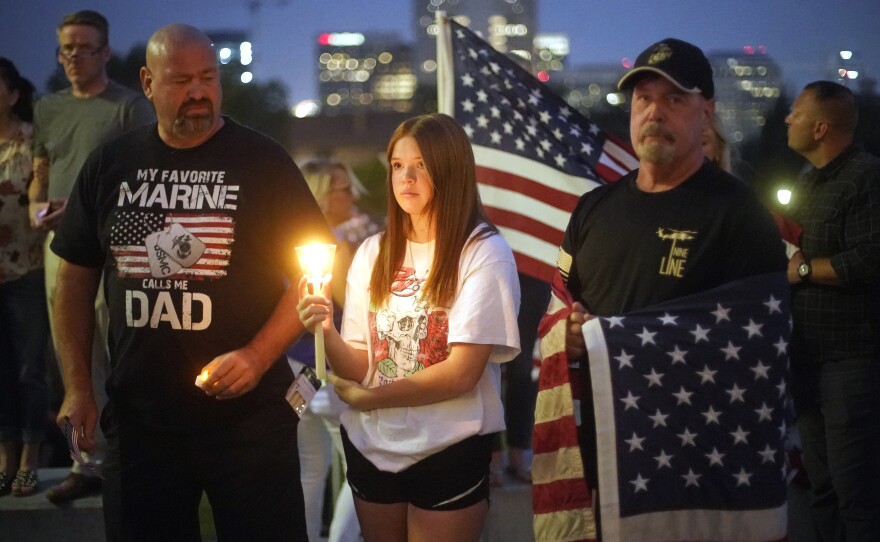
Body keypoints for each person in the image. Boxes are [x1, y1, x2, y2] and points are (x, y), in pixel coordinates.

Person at [50, 23, 332, 541]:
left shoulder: (263, 162)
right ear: (147, 81)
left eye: (208, 77)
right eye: (181, 80)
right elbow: (72, 281)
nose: (199, 92)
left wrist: (256, 354)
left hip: (249, 424)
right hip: (140, 421)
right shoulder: (111, 164)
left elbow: (314, 278)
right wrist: (77, 387)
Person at [559, 38, 787, 539]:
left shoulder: (740, 214)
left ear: (706, 113)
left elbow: (760, 344)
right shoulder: (592, 210)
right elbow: (563, 307)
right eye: (643, 98)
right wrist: (569, 336)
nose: (654, 112)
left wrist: (620, 343)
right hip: (609, 459)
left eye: (674, 99)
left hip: (701, 471)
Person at [298, 113, 521, 542]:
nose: (406, 177)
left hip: (447, 446)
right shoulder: (373, 251)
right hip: (372, 446)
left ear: (450, 169)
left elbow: (461, 373)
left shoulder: (483, 252)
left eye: (421, 164)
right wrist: (323, 328)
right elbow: (363, 359)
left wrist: (371, 397)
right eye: (398, 165)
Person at [29, 9, 156, 504]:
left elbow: (146, 180)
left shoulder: (127, 108)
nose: (74, 57)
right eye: (66, 49)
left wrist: (87, 211)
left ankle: (127, 460)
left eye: (84, 48)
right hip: (60, 247)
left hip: (114, 248)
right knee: (74, 357)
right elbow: (43, 167)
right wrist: (40, 205)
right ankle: (88, 464)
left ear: (105, 52)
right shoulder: (48, 108)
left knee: (115, 350)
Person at [784, 80, 880, 542]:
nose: (787, 120)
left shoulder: (867, 177)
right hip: (807, 360)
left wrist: (800, 270)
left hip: (851, 361)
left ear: (821, 127)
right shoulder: (808, 182)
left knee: (856, 492)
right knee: (820, 487)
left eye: (796, 114)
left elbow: (870, 259)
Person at [292, 158, 377, 542]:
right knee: (363, 466)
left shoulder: (287, 240)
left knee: (309, 469)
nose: (354, 195)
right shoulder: (334, 247)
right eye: (345, 189)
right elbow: (352, 308)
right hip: (327, 372)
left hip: (293, 369)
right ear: (323, 196)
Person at [0, 58, 49, 498]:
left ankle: (30, 459)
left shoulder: (31, 139)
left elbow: (39, 194)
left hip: (26, 271)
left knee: (30, 371)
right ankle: (4, 458)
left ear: (14, 95)